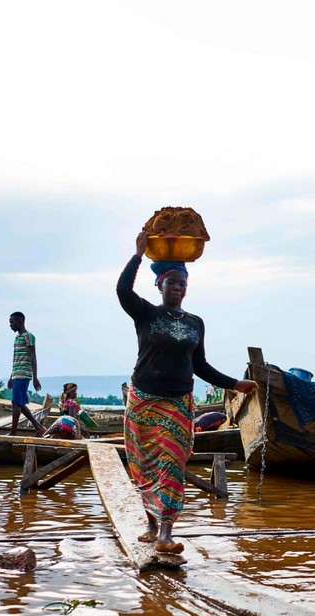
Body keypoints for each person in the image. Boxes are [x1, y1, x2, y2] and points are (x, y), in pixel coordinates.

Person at [118, 229, 257, 555]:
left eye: (183, 284)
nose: (178, 288)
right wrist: (138, 254)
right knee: (144, 464)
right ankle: (152, 527)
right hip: (143, 402)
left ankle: (166, 533)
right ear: (160, 286)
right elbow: (122, 289)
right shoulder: (146, 313)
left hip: (178, 404)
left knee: (172, 464)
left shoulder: (195, 322)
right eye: (172, 283)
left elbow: (201, 366)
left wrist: (235, 384)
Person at [7, 312, 46, 436]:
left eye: (12, 322)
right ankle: (38, 427)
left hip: (24, 374)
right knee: (19, 402)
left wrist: (35, 377)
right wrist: (11, 377)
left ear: (20, 321)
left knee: (16, 403)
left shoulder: (28, 336)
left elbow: (33, 357)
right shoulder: (17, 338)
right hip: (17, 374)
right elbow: (17, 359)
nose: (10, 325)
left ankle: (13, 433)